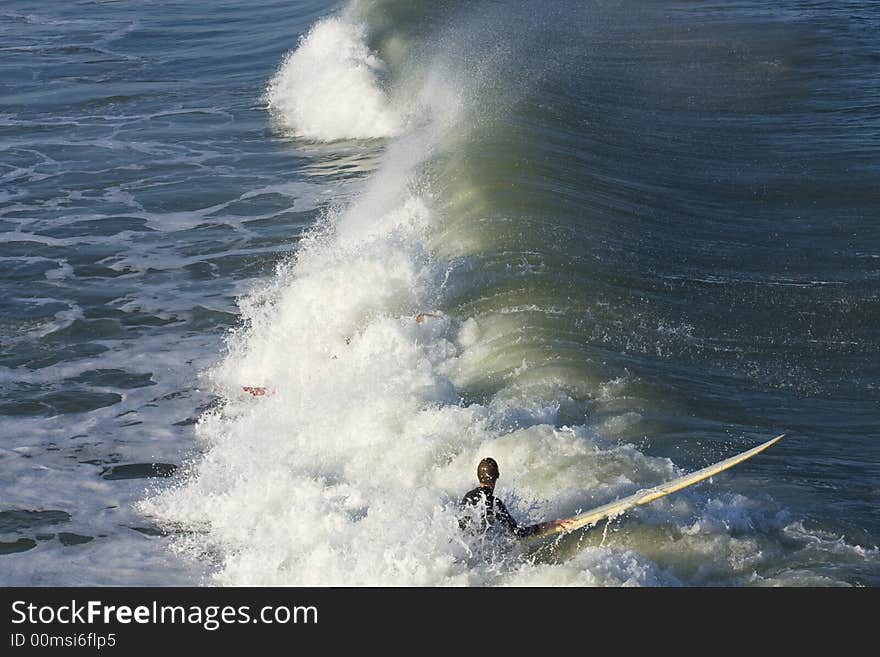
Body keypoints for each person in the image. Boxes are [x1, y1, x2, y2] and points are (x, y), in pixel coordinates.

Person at [458, 457, 571, 538]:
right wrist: (550, 524)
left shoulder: (468, 497)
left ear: (478, 477)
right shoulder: (494, 503)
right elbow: (518, 533)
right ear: (496, 478)